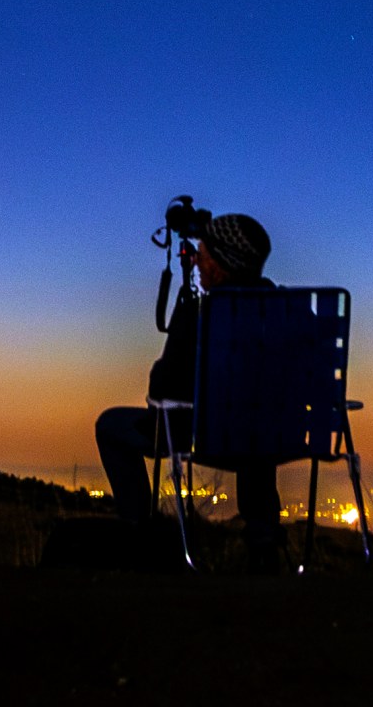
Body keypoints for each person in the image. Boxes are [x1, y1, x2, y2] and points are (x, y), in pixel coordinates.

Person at [95, 196, 287, 570]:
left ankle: (138, 533)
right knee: (255, 421)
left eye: (203, 254)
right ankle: (264, 539)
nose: (197, 261)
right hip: (273, 438)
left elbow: (160, 393)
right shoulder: (281, 313)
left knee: (111, 425)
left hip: (207, 436)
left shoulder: (205, 316)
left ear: (221, 264)